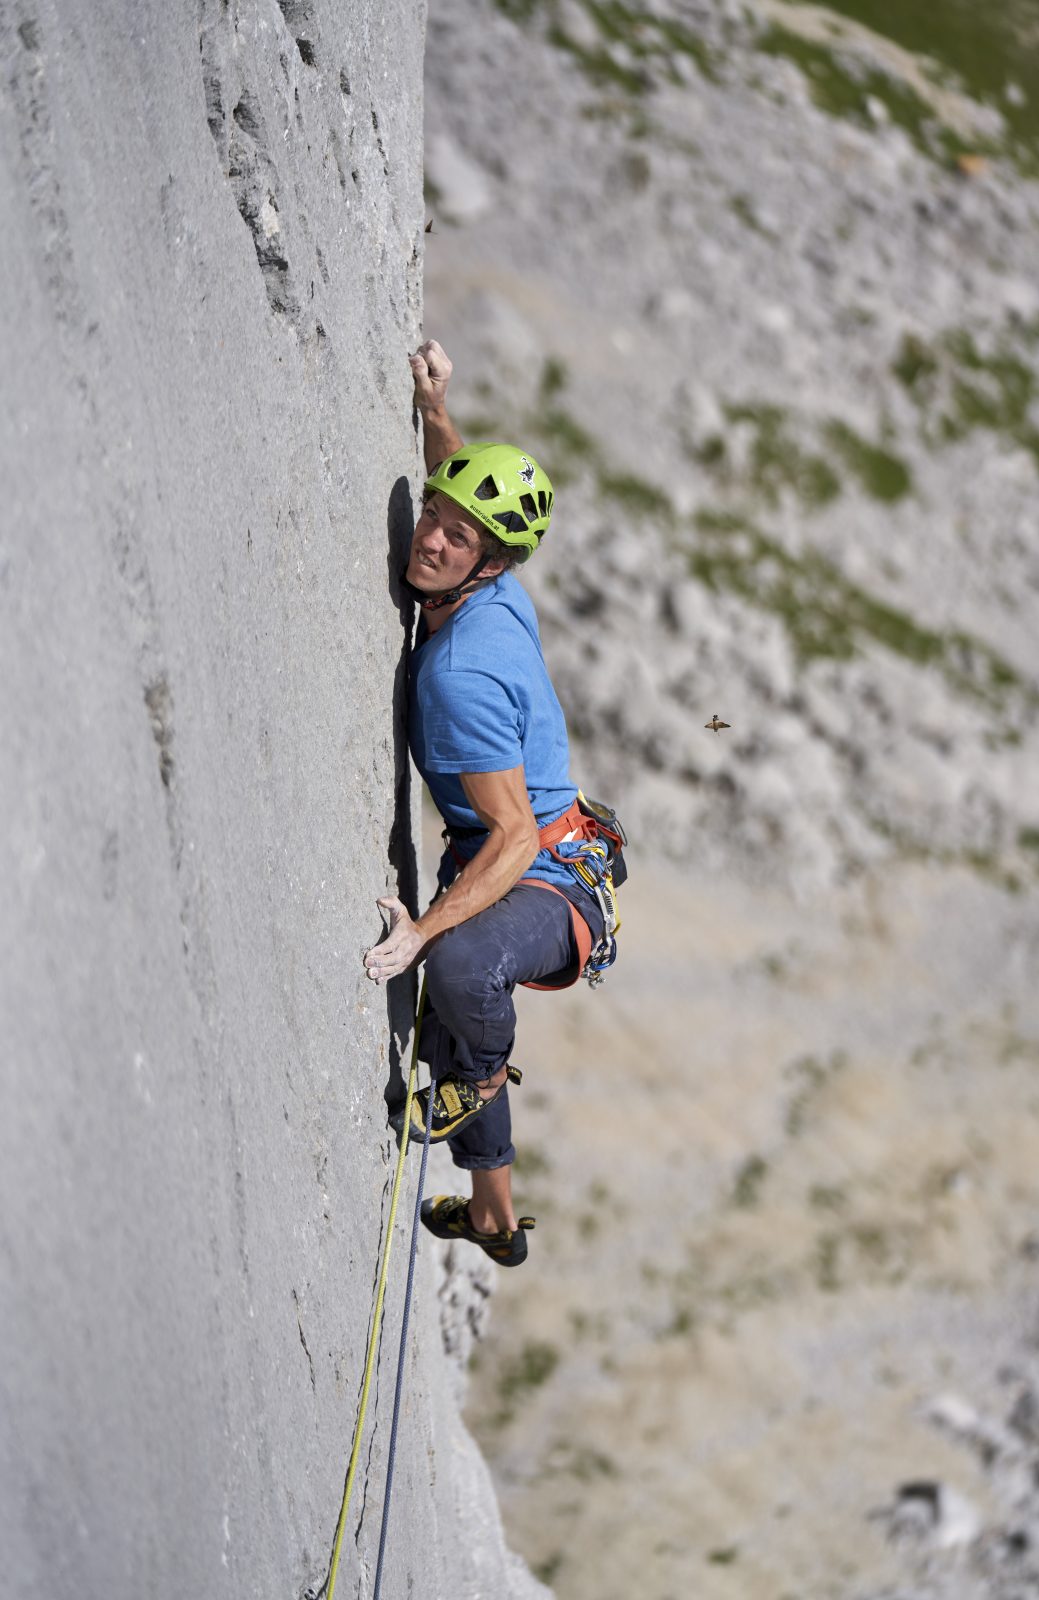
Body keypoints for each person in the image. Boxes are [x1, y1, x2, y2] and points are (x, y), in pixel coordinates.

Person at [362, 339, 605, 1269]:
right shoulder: (493, 586)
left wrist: (421, 932)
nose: (429, 536)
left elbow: (509, 839)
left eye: (454, 538)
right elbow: (463, 499)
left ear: (489, 564)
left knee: (462, 969)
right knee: (461, 998)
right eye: (431, 516)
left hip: (549, 870)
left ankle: (482, 1078)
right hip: (530, 839)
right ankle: (495, 1220)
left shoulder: (461, 670)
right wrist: (435, 410)